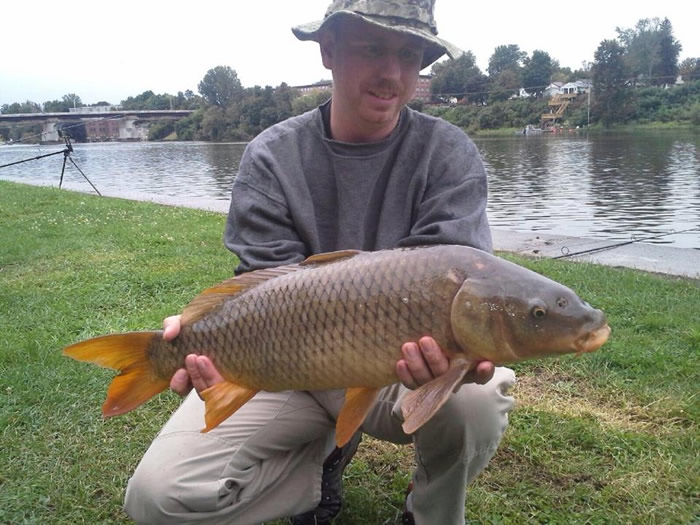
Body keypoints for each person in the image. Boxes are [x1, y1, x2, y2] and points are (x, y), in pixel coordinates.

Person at [123, 1, 516, 524]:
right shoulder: (270, 157)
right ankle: (312, 474)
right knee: (157, 498)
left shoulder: (447, 154)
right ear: (328, 51)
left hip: (401, 370)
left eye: (409, 54)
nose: (392, 73)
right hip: (284, 365)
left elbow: (456, 277)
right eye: (372, 48)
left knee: (480, 395)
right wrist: (201, 335)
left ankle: (429, 515)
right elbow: (264, 289)